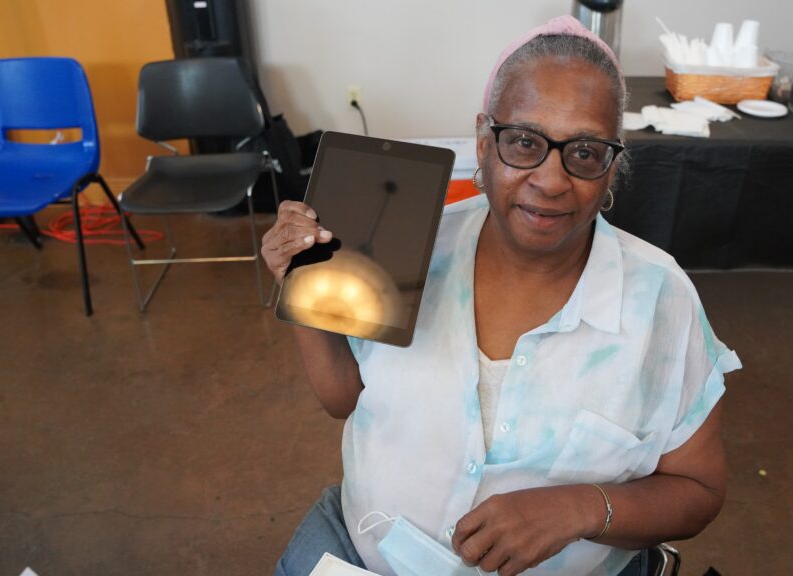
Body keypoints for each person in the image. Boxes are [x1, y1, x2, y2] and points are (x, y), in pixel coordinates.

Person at [264, 15, 740, 576]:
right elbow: (344, 396)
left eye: (585, 152)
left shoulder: (660, 301)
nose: (552, 178)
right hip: (365, 556)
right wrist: (301, 287)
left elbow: (698, 490)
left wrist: (582, 507)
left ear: (612, 169)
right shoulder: (406, 246)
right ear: (483, 142)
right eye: (523, 142)